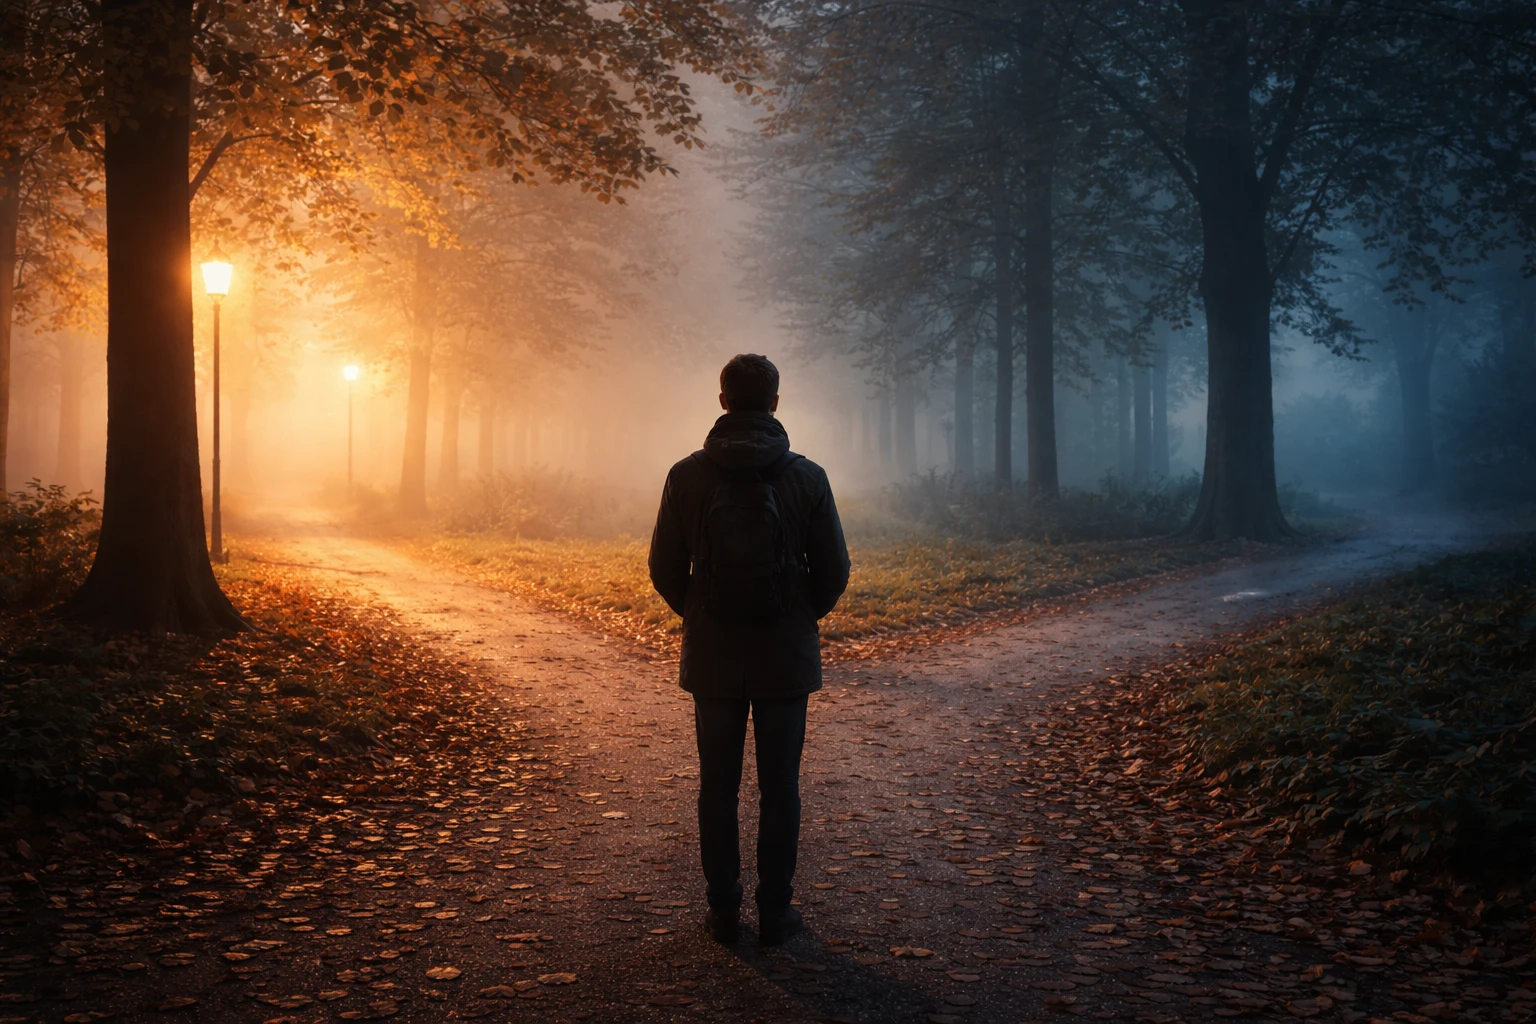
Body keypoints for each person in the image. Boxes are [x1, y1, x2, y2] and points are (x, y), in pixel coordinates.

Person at [648, 353, 851, 945]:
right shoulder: (807, 477)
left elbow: (663, 568)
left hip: (713, 656)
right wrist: (794, 614)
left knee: (718, 785)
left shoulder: (686, 476)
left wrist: (704, 612)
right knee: (780, 785)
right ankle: (776, 912)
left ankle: (722, 911)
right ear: (776, 403)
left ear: (722, 402)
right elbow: (834, 571)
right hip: (784, 656)